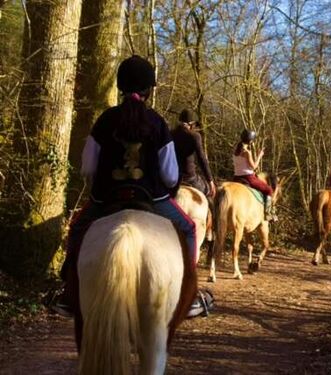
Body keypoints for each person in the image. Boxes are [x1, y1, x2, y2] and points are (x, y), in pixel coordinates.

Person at [53, 55, 197, 316]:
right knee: (188, 227)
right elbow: (171, 176)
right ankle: (191, 293)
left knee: (77, 230)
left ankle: (67, 292)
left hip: (106, 199)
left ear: (120, 86)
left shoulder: (105, 119)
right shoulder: (158, 123)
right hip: (151, 198)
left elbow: (87, 166)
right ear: (148, 90)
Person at [232, 129, 277, 221]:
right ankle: (268, 213)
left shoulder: (235, 149)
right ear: (251, 141)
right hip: (248, 177)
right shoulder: (247, 152)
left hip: (236, 177)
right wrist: (260, 155)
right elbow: (253, 167)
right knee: (269, 190)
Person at [171, 109, 216, 198]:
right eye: (195, 124)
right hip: (189, 178)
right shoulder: (195, 136)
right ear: (191, 124)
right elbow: (201, 159)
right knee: (209, 193)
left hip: (173, 177)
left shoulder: (170, 133)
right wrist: (210, 181)